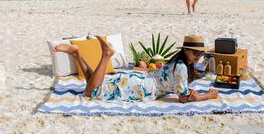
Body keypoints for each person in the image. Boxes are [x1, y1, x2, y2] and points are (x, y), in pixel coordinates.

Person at [53, 35, 218, 103]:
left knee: (95, 84)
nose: (198, 56)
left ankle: (77, 55)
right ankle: (106, 55)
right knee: (91, 92)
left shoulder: (177, 61)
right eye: (195, 53)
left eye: (201, 54)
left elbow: (175, 84)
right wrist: (207, 95)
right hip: (143, 87)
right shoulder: (182, 67)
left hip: (139, 79)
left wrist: (189, 89)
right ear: (185, 50)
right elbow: (182, 100)